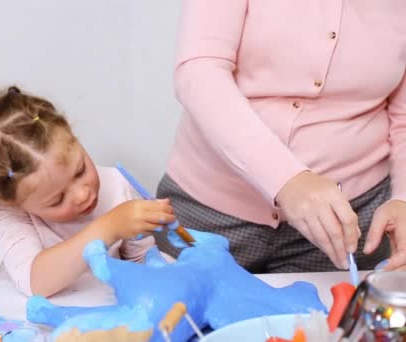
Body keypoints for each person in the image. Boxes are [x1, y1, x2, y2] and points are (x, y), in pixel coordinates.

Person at [155, 0, 406, 273]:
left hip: (344, 224)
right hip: (209, 212)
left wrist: (403, 198)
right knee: (181, 313)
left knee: (325, 316)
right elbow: (199, 71)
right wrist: (287, 180)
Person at [0, 86, 175, 296]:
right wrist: (107, 228)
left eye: (80, 170)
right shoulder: (10, 215)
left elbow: (141, 264)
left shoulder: (116, 184)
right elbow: (35, 281)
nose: (82, 194)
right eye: (57, 199)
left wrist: (172, 269)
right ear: (12, 201)